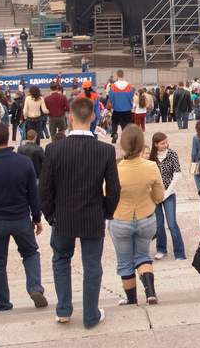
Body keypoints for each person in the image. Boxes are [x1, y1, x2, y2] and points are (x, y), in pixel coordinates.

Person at [39, 97, 121, 329]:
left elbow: (44, 188)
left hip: (63, 215)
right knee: (92, 265)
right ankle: (90, 315)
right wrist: (106, 211)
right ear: (93, 117)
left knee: (61, 259)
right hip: (93, 214)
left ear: (70, 117)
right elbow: (114, 189)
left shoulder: (54, 149)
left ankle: (64, 309)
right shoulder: (105, 150)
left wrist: (50, 214)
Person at [0, 122, 47, 312]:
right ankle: (35, 288)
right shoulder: (24, 163)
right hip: (21, 217)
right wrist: (36, 218)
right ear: (7, 138)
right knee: (30, 253)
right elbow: (33, 194)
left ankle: (4, 302)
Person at [110, 125, 164, 305]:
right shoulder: (151, 166)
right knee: (143, 255)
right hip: (145, 216)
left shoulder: (115, 169)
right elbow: (159, 196)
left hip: (121, 217)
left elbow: (105, 193)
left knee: (125, 261)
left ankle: (131, 299)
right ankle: (150, 292)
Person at [149, 133, 186, 260]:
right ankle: (161, 249)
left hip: (169, 194)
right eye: (162, 143)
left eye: (166, 142)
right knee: (159, 224)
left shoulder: (172, 154)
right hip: (155, 194)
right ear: (156, 144)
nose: (165, 144)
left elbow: (177, 174)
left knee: (172, 223)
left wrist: (166, 193)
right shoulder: (151, 157)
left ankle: (180, 252)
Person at [108, 70, 135, 142]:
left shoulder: (113, 86)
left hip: (117, 108)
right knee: (126, 123)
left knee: (114, 122)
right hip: (127, 108)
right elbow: (131, 96)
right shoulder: (129, 86)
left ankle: (114, 133)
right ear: (123, 75)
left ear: (117, 75)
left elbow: (111, 97)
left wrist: (113, 103)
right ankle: (126, 137)